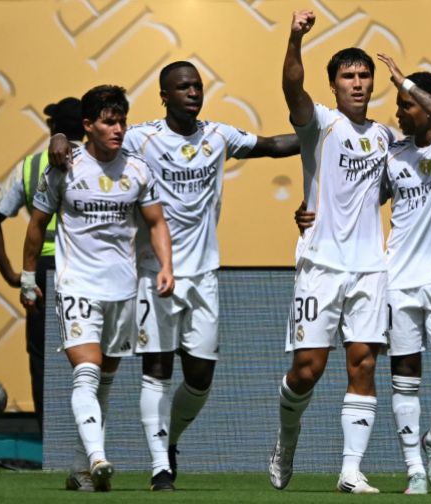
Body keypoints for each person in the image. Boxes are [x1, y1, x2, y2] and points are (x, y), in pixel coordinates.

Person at [49, 61, 300, 491]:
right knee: (157, 369)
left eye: (197, 86)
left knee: (200, 378)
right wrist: (59, 137)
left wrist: (322, 133)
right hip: (153, 273)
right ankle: (160, 467)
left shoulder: (218, 135)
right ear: (164, 96)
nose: (193, 92)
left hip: (203, 275)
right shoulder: (141, 138)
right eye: (183, 87)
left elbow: (274, 145)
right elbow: (95, 143)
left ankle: (170, 441)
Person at [295, 56, 431, 493]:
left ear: (428, 105)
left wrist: (409, 84)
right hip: (396, 277)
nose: (398, 113)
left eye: (406, 105)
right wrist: (311, 214)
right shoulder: (393, 153)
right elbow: (357, 195)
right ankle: (414, 468)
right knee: (405, 375)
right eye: (398, 104)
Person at [22, 85, 174, 492]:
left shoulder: (138, 169)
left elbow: (156, 222)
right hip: (76, 284)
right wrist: (28, 277)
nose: (118, 129)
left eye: (122, 121)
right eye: (109, 122)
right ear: (88, 125)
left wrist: (166, 267)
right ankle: (97, 456)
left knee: (105, 381)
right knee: (86, 373)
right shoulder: (64, 167)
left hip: (122, 290)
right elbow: (37, 224)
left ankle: (81, 470)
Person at [268, 9, 391, 494]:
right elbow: (291, 87)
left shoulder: (384, 137)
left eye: (364, 76)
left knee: (364, 363)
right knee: (308, 370)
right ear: (334, 84)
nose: (357, 84)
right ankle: (287, 437)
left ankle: (350, 471)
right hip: (321, 263)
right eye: (348, 76)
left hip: (370, 267)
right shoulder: (319, 123)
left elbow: (385, 191)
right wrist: (294, 38)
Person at [0, 97, 84, 430]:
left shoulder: (32, 166)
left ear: (54, 128)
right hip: (89, 268)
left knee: (42, 357)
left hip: (44, 271)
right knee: (95, 353)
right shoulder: (104, 161)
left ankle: (49, 437)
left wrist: (12, 274)